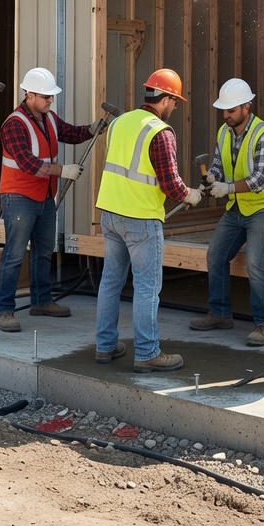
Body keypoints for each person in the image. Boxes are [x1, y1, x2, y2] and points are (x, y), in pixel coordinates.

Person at [94, 68, 202, 372]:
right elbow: (170, 184)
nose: (176, 108)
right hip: (140, 219)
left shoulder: (118, 123)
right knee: (146, 287)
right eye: (175, 101)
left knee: (110, 282)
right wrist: (191, 195)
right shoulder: (160, 132)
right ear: (165, 98)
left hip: (110, 214)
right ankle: (146, 353)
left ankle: (105, 346)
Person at [0, 66, 107, 333]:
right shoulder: (14, 124)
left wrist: (92, 129)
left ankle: (41, 301)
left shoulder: (49, 118)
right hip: (19, 197)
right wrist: (62, 170)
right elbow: (27, 163)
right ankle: (4, 310)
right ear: (29, 94)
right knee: (14, 255)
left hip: (44, 196)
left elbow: (71, 133)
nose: (50, 100)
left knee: (44, 252)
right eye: (45, 96)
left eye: (51, 96)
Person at [189, 77, 264, 347]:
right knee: (215, 256)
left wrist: (227, 188)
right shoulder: (224, 131)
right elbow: (219, 165)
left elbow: (260, 180)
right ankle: (220, 314)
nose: (226, 115)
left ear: (247, 107)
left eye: (231, 110)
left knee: (255, 263)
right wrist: (211, 181)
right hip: (238, 207)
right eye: (224, 110)